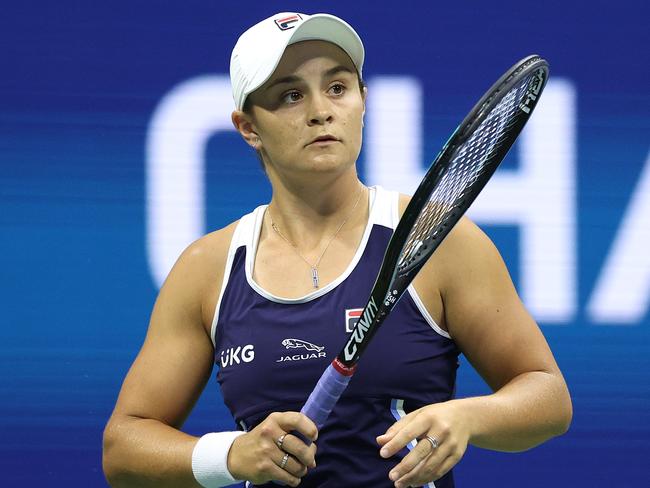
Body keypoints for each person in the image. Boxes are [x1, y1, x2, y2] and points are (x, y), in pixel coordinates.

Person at [102, 12, 572, 488]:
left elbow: (548, 397)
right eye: (290, 95)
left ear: (363, 101)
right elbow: (123, 447)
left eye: (337, 87)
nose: (320, 110)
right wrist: (231, 455)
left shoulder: (438, 240)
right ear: (248, 127)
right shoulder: (208, 269)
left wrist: (469, 418)